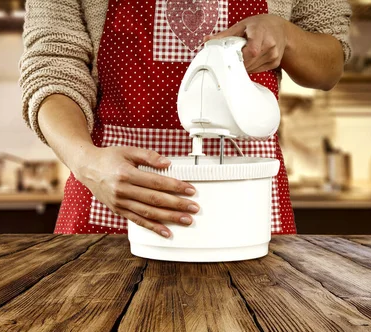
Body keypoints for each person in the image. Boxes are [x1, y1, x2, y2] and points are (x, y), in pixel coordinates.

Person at [19, 0, 352, 237]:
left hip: (244, 202)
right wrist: (86, 160)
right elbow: (51, 67)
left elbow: (330, 66)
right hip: (110, 197)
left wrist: (288, 36)